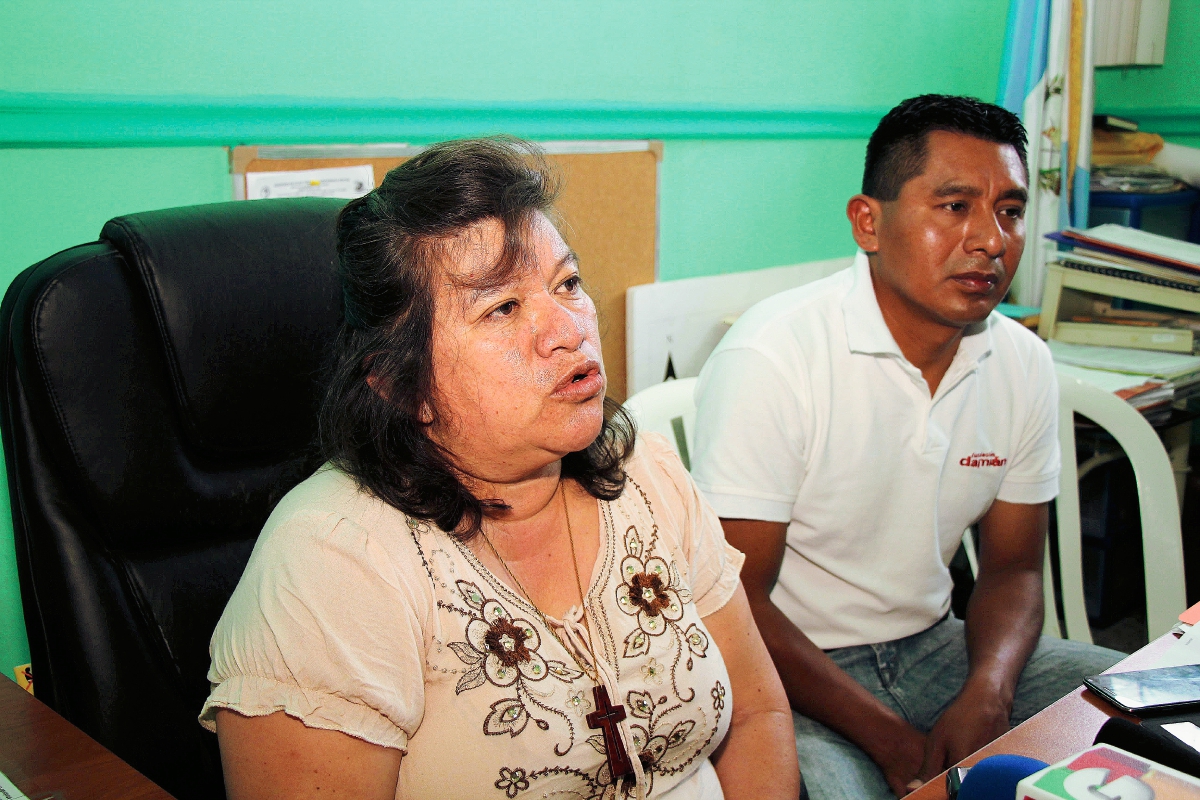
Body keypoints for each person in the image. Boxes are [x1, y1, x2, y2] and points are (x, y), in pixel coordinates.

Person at [199, 137, 799, 800]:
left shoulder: (646, 471)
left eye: (567, 283)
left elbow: (755, 712)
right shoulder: (333, 561)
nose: (568, 328)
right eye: (503, 307)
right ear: (402, 385)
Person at [690, 95, 1123, 800]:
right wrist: (889, 736)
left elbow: (1013, 571)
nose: (990, 240)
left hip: (936, 648)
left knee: (1143, 710)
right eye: (954, 207)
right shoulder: (777, 356)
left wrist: (988, 689)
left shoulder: (1020, 362)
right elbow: (734, 602)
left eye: (1010, 212)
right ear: (869, 221)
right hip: (786, 668)